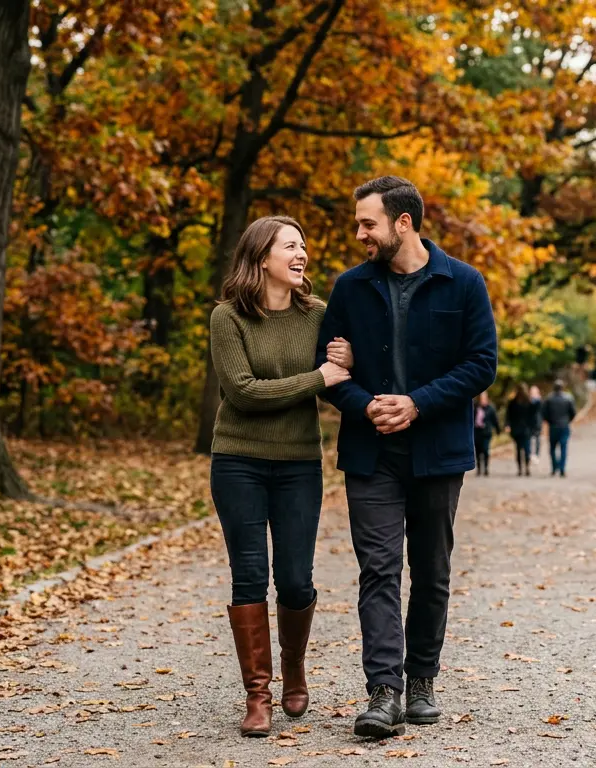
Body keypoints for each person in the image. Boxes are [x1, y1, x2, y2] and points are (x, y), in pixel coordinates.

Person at [316, 176, 497, 738]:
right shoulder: (349, 288)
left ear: (403, 223)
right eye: (357, 224)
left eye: (367, 223)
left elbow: (481, 364)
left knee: (433, 570)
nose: (359, 234)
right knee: (378, 569)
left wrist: (417, 404)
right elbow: (328, 372)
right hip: (371, 452)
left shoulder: (464, 283)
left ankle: (421, 680)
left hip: (437, 451)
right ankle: (383, 691)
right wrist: (365, 404)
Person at [209, 216, 351, 737]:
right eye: (290, 245)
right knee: (248, 575)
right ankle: (258, 695)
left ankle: (294, 669)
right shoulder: (228, 318)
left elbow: (341, 375)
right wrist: (317, 377)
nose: (302, 254)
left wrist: (343, 366)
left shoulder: (318, 316)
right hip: (238, 460)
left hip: (297, 464)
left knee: (295, 577)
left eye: (304, 246)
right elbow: (242, 392)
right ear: (261, 256)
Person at [541, 379, 576, 477]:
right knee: (563, 447)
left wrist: (550, 421)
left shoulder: (549, 399)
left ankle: (554, 468)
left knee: (552, 448)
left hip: (553, 426)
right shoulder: (568, 398)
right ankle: (562, 469)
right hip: (564, 426)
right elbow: (573, 412)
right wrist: (568, 420)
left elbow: (544, 413)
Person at [505, 385, 538, 476]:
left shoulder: (527, 402)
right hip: (521, 429)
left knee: (522, 449)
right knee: (523, 449)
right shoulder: (515, 402)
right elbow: (509, 415)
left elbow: (533, 415)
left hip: (522, 429)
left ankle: (523, 468)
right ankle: (523, 467)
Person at [472, 392, 501, 476]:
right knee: (477, 451)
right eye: (481, 398)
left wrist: (498, 430)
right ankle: (479, 468)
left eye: (484, 398)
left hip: (486, 433)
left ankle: (486, 468)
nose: (483, 400)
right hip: (477, 432)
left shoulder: (490, 408)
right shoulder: (475, 407)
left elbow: (495, 420)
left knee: (485, 450)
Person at [528, 384, 544, 466]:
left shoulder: (539, 401)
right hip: (529, 423)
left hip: (537, 422)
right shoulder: (528, 401)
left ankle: (536, 454)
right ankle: (530, 454)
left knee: (537, 439)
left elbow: (542, 411)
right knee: (529, 439)